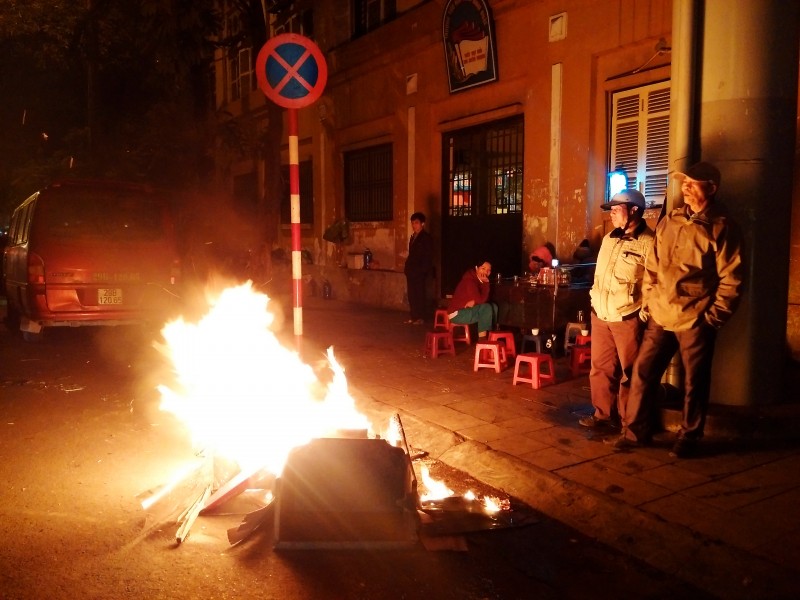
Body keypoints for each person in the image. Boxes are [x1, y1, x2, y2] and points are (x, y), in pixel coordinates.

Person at [607, 162, 744, 458]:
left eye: (693, 183)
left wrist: (712, 318)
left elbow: (732, 279)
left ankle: (689, 436)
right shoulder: (672, 219)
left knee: (695, 380)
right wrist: (649, 300)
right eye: (684, 182)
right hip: (660, 313)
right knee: (642, 372)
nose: (686, 187)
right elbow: (653, 265)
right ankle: (635, 433)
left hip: (695, 318)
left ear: (712, 188)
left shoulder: (721, 226)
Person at [579, 190, 654, 431]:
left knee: (630, 373)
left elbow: (654, 282)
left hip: (627, 317)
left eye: (616, 209)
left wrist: (642, 314)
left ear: (634, 211)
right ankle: (602, 415)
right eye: (610, 209)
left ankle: (628, 423)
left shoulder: (649, 242)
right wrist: (594, 303)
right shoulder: (609, 238)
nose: (611, 213)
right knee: (600, 369)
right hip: (601, 314)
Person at [448, 261, 498, 339]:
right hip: (457, 314)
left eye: (489, 270)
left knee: (493, 307)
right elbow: (481, 301)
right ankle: (483, 341)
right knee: (487, 308)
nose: (486, 272)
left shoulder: (479, 281)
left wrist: (475, 302)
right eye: (483, 268)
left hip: (467, 310)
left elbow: (482, 300)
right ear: (476, 268)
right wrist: (486, 284)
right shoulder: (470, 281)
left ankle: (492, 335)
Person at [403, 212, 434, 324]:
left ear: (422, 223)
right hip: (411, 271)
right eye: (412, 223)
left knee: (420, 294)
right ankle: (414, 316)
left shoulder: (426, 238)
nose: (414, 225)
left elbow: (428, 255)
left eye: (416, 223)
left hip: (420, 271)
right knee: (412, 294)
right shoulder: (413, 237)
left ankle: (421, 317)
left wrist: (422, 270)